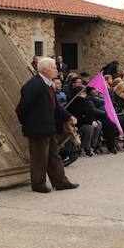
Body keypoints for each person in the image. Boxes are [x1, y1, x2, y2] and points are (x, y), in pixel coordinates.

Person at [15, 57, 79, 193]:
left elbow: (55, 106)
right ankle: (38, 184)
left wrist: (69, 116)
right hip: (38, 129)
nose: (56, 70)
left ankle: (61, 182)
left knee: (53, 156)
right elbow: (21, 108)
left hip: (49, 128)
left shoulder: (47, 84)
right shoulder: (34, 85)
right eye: (53, 67)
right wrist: (29, 124)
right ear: (44, 69)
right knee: (39, 157)